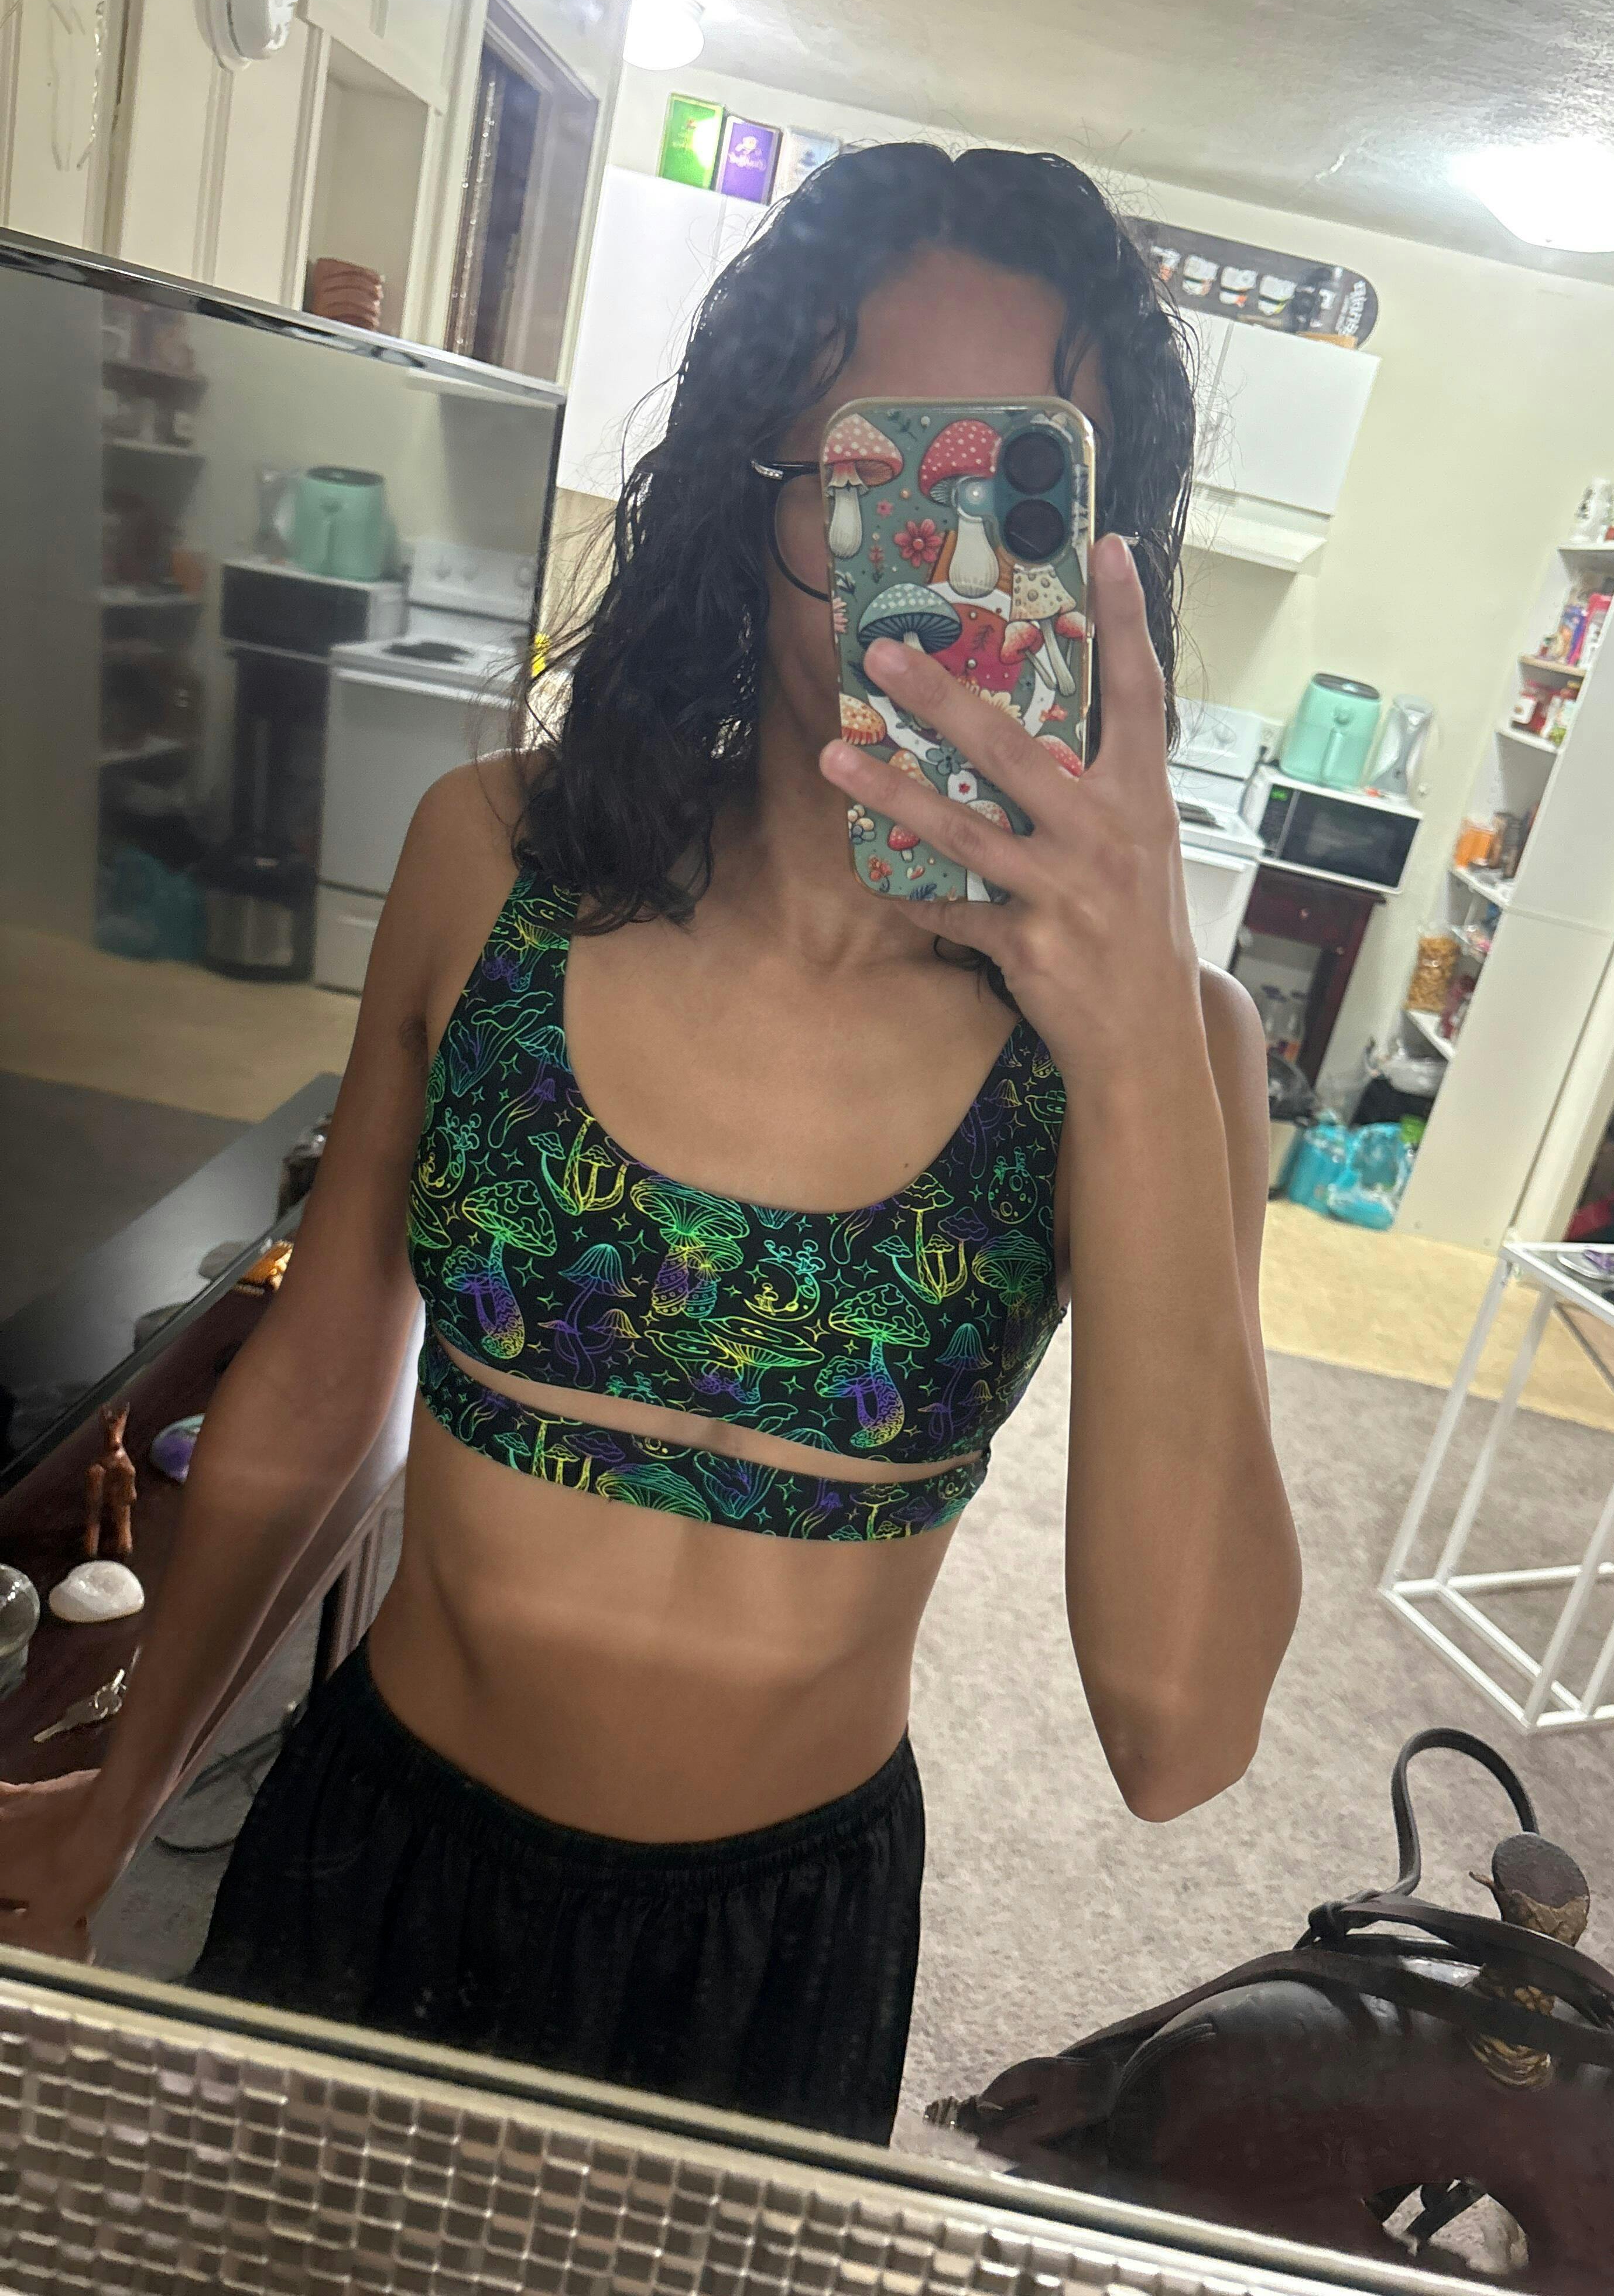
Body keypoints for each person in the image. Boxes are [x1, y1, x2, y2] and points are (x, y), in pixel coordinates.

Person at [0, 145, 1298, 2144]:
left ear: (1106, 560)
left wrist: (1132, 1042)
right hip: (375, 1855)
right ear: (748, 490)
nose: (943, 585)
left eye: (1020, 503)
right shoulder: (491, 860)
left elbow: (1179, 1733)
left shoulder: (1166, 1053)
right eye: (879, 482)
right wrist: (131, 1792)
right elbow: (323, 1383)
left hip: (767, 1965)